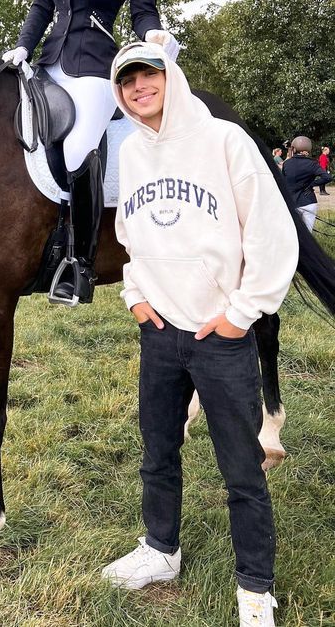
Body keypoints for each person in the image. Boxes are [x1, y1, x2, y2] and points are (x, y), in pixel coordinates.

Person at [102, 42, 299, 627]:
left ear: (171, 77)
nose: (139, 85)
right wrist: (134, 296)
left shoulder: (225, 141)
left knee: (242, 468)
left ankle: (255, 588)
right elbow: (129, 237)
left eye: (149, 72)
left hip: (221, 335)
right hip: (160, 334)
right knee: (158, 452)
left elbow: (271, 233)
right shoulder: (132, 154)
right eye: (127, 79)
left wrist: (244, 311)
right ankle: (160, 550)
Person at [2, 0, 179, 304]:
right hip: (49, 63)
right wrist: (22, 45)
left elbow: (144, 10)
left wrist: (155, 36)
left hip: (95, 70)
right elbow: (43, 4)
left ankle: (77, 267)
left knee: (79, 147)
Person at [282, 136, 332, 231]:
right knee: (308, 235)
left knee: (293, 233)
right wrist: (312, 184)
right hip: (308, 202)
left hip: (291, 202)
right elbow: (327, 177)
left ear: (294, 148)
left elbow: (283, 182)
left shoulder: (286, 164)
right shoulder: (312, 163)